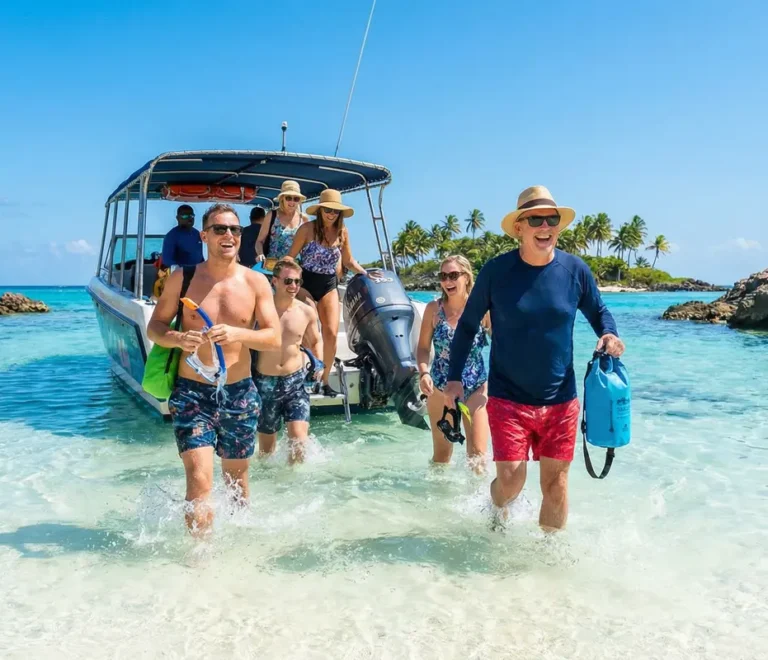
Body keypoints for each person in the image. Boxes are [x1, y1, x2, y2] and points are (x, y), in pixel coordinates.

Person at [443, 185, 625, 532]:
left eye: (551, 219)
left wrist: (609, 334)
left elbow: (599, 312)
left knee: (556, 485)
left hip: (561, 400)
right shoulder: (496, 272)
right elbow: (467, 326)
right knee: (511, 481)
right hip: (508, 398)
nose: (545, 226)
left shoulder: (575, 270)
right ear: (519, 228)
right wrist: (454, 379)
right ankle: (495, 508)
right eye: (536, 219)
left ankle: (549, 556)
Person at [147, 203, 281, 536]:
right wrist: (179, 339)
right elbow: (155, 327)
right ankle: (199, 556)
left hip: (239, 393)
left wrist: (238, 333)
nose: (229, 235)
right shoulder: (183, 278)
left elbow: (273, 337)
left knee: (237, 483)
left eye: (235, 229)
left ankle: (241, 551)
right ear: (204, 236)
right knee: (199, 480)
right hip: (192, 393)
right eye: (220, 229)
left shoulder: (256, 282)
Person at [286, 189, 378, 396]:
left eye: (335, 211)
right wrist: (286, 276)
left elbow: (348, 261)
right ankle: (309, 372)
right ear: (320, 210)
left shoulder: (342, 232)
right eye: (327, 210)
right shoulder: (306, 229)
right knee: (310, 326)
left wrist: (366, 274)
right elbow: (291, 257)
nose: (331, 214)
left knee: (331, 334)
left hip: (328, 284)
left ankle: (325, 380)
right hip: (305, 282)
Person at [416, 255, 490, 473]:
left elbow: (504, 344)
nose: (447, 281)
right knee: (441, 457)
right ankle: (438, 494)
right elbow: (423, 348)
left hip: (475, 386)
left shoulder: (482, 309)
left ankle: (479, 495)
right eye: (443, 276)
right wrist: (424, 373)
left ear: (466, 277)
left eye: (453, 275)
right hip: (440, 388)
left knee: (478, 458)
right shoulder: (434, 310)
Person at [253, 259, 323, 464]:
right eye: (288, 281)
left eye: (298, 282)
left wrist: (319, 364)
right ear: (274, 281)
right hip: (265, 383)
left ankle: (295, 480)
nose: (293, 286)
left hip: (295, 382)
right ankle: (270, 480)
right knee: (266, 451)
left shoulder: (306, 311)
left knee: (299, 442)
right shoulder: (260, 310)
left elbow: (316, 340)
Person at [254, 180, 307, 265]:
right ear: (282, 199)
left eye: (296, 199)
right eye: (288, 198)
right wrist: (260, 254)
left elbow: (306, 246)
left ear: (299, 201)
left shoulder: (303, 219)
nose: (292, 202)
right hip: (272, 267)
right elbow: (259, 241)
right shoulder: (272, 215)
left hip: (294, 267)